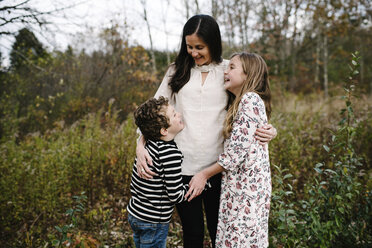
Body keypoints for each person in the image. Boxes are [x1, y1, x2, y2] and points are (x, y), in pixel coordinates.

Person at [135, 14, 277, 248]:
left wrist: (270, 131)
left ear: (213, 43)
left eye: (199, 47)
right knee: (192, 234)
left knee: (218, 231)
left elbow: (249, 110)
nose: (193, 52)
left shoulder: (228, 70)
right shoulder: (176, 72)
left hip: (218, 168)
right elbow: (151, 114)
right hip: (181, 167)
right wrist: (140, 147)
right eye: (189, 46)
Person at [186, 52, 272, 247]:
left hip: (246, 191)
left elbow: (234, 155)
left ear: (248, 75)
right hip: (241, 188)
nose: (226, 71)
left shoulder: (249, 100)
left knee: (240, 241)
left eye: (232, 67)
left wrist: (203, 175)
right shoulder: (241, 102)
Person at [127, 96, 189, 248]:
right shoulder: (170, 154)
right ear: (164, 130)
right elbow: (175, 194)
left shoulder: (148, 146)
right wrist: (195, 187)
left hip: (135, 214)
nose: (179, 114)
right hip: (153, 221)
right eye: (174, 114)